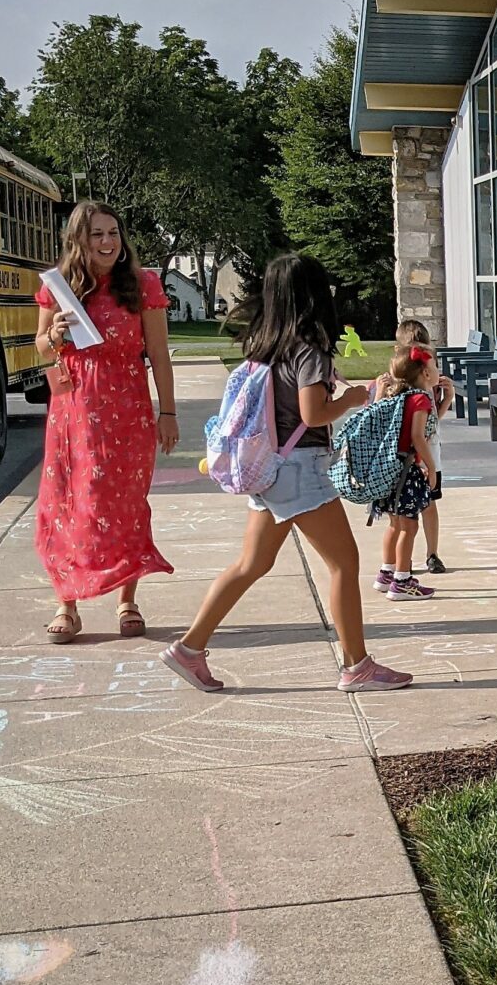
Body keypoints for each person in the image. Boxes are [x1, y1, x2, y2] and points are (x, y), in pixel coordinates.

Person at [160, 255, 412, 693]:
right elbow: (313, 414)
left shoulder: (267, 342)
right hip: (299, 472)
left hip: (270, 469)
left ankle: (188, 648)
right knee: (344, 563)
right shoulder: (309, 348)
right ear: (311, 295)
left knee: (251, 564)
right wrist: (351, 398)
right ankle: (357, 666)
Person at [33, 202, 176, 642]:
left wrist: (166, 412)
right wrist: (52, 334)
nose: (108, 242)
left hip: (127, 411)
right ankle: (67, 604)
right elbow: (39, 348)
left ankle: (127, 600)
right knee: (68, 502)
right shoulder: (58, 287)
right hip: (73, 412)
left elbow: (158, 353)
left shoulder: (143, 284)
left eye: (113, 232)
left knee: (125, 504)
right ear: (79, 240)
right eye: (97, 234)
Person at [369, 319, 454, 573]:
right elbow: (416, 433)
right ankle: (401, 573)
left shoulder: (424, 388)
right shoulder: (401, 387)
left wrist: (445, 399)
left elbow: (429, 425)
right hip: (415, 461)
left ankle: (407, 562)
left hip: (414, 457)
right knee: (405, 523)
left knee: (409, 516)